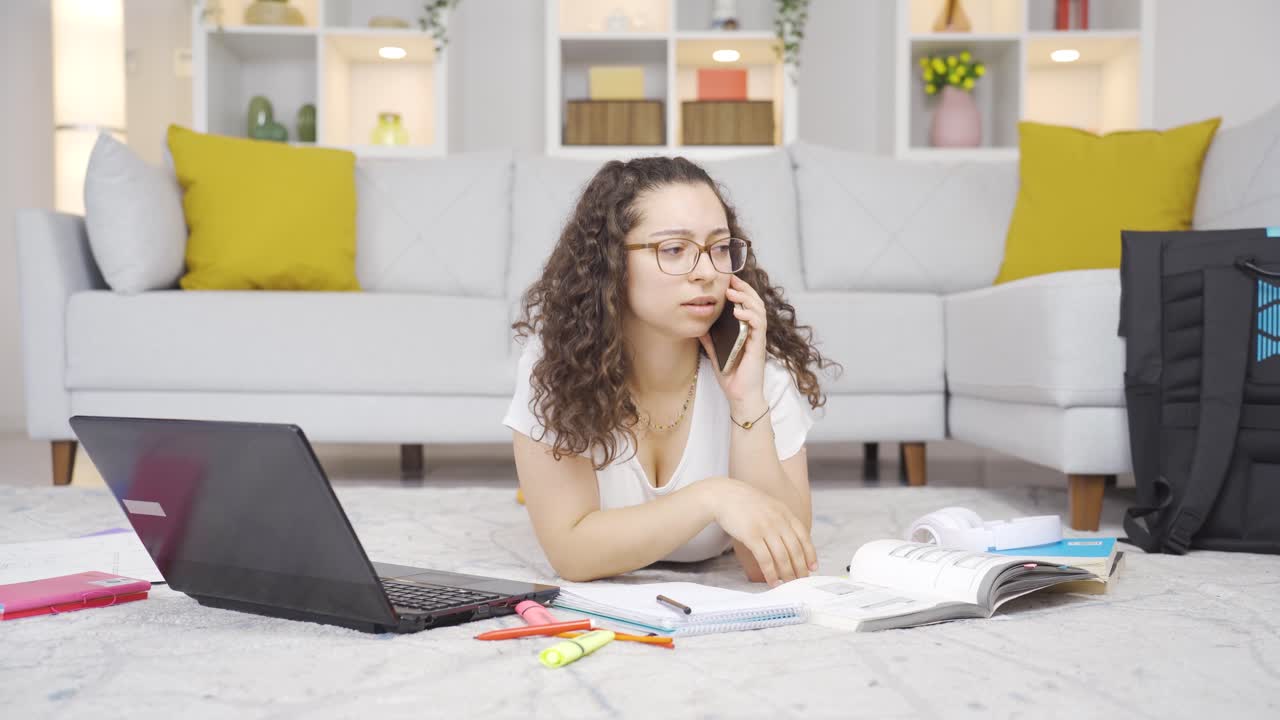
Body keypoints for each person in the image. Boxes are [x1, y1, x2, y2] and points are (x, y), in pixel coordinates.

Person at [503, 156, 838, 587]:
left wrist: (746, 402)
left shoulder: (760, 370)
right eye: (674, 250)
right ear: (610, 261)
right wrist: (713, 497)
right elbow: (571, 554)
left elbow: (772, 564)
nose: (707, 273)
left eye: (720, 248)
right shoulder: (558, 364)